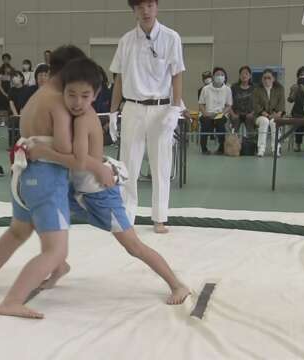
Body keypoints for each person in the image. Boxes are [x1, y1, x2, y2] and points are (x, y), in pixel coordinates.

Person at [27, 57, 190, 304]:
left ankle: (177, 285)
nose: (77, 102)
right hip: (78, 189)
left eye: (84, 96)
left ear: (96, 95)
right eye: (71, 94)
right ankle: (58, 265)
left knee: (133, 246)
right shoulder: (68, 113)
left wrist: (42, 152)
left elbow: (79, 161)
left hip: (100, 193)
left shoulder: (84, 118)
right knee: (43, 215)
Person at [0, 46, 113, 319]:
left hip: (21, 174)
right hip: (45, 178)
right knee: (56, 250)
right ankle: (12, 300)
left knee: (17, 232)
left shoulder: (39, 94)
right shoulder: (58, 102)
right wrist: (97, 164)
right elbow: (64, 150)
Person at [109, 0, 186, 234]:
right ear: (134, 10)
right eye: (140, 6)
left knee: (161, 165)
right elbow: (119, 79)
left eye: (150, 5)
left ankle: (160, 218)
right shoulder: (126, 41)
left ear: (157, 7)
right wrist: (113, 112)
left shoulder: (171, 38)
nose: (146, 11)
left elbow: (177, 75)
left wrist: (175, 108)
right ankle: (126, 216)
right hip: (132, 107)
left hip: (161, 109)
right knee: (128, 165)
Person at [198, 67, 232, 155]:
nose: (220, 76)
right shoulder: (205, 89)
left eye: (222, 75)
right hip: (207, 113)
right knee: (205, 124)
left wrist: (222, 113)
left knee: (221, 124)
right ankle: (204, 148)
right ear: (213, 76)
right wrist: (205, 113)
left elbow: (229, 105)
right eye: (217, 74)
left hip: (220, 114)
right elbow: (201, 104)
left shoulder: (227, 89)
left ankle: (221, 148)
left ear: (225, 77)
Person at [253, 69, 285, 157]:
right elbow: (256, 105)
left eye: (269, 78)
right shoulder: (257, 90)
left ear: (273, 79)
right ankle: (261, 149)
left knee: (274, 123)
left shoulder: (280, 89)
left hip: (276, 115)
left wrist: (276, 114)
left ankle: (276, 149)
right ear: (262, 79)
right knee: (264, 121)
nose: (267, 80)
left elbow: (281, 104)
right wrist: (266, 114)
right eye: (264, 78)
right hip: (260, 115)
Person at [230, 66, 255, 135]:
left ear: (250, 76)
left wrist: (252, 113)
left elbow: (258, 103)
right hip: (236, 114)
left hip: (249, 114)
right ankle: (234, 144)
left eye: (246, 74)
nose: (244, 75)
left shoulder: (254, 88)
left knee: (251, 128)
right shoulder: (234, 87)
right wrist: (232, 114)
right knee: (234, 127)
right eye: (242, 74)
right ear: (239, 76)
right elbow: (228, 102)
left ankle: (251, 143)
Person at [8, 71, 30, 148]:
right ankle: (12, 144)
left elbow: (28, 102)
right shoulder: (11, 90)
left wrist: (23, 113)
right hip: (14, 113)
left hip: (25, 113)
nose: (14, 78)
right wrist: (16, 114)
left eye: (16, 76)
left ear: (21, 78)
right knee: (12, 123)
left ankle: (23, 142)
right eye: (12, 77)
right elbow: (11, 103)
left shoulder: (27, 89)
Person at [0, 63, 14, 130]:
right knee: (1, 107)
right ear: (3, 69)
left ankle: (7, 121)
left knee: (7, 107)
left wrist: (10, 93)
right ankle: (1, 121)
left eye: (8, 68)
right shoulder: (0, 76)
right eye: (6, 68)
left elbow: (12, 85)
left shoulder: (11, 76)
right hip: (1, 93)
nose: (7, 69)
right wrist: (4, 94)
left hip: (9, 92)